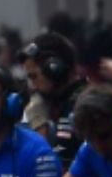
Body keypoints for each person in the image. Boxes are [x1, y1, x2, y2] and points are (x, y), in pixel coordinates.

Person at [19, 32, 91, 164]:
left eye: (34, 77)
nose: (32, 87)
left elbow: (51, 173)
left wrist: (39, 128)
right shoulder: (70, 101)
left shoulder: (78, 107)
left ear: (55, 69)